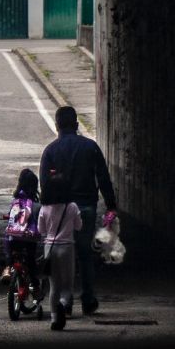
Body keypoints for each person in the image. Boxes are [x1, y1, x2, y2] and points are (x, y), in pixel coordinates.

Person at [39, 105, 117, 316]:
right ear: (76, 125)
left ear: (57, 126)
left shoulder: (50, 151)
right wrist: (111, 205)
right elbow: (103, 178)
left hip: (59, 212)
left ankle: (65, 301)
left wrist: (45, 210)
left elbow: (45, 184)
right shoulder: (90, 147)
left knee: (62, 258)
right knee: (84, 255)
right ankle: (88, 299)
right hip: (86, 208)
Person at [38, 197, 81, 330]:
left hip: (50, 248)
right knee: (67, 285)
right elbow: (79, 226)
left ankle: (54, 319)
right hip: (66, 247)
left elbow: (41, 230)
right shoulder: (72, 206)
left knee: (53, 287)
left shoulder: (44, 207)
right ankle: (62, 304)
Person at [1, 168, 41, 287]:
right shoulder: (37, 205)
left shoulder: (15, 202)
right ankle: (35, 286)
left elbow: (11, 217)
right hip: (30, 238)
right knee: (31, 260)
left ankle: (8, 267)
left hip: (14, 236)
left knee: (7, 238)